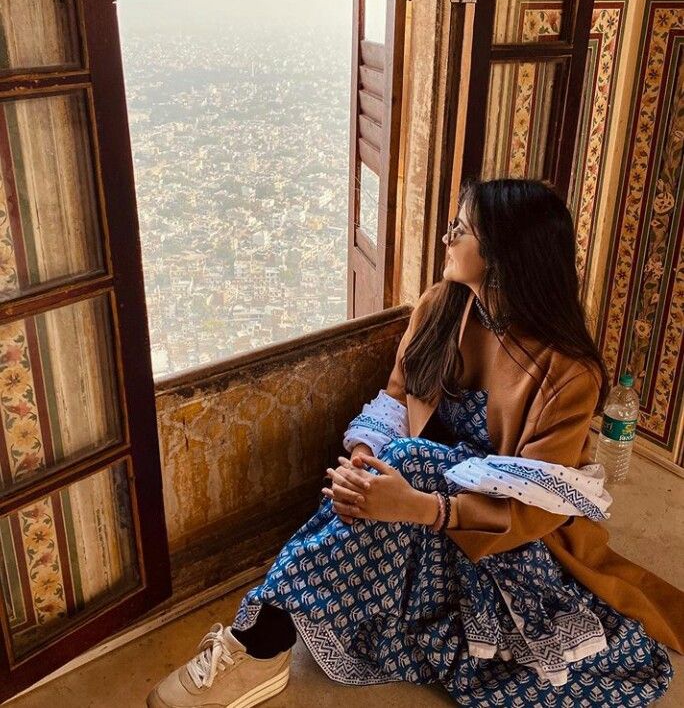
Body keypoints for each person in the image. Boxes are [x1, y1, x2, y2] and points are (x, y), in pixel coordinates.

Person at [147, 177, 678, 708]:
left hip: (502, 538)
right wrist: (361, 467)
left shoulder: (568, 373)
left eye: (461, 230)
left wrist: (420, 506)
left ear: (501, 254)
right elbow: (397, 401)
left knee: (407, 464)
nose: (447, 238)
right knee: (387, 468)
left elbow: (538, 510)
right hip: (416, 508)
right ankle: (262, 638)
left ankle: (261, 642)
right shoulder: (440, 309)